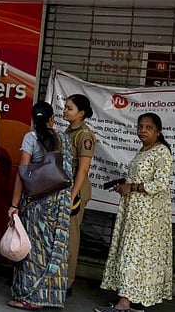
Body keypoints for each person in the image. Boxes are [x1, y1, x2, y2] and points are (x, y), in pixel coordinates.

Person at [96, 113, 174, 312]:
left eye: (148, 127)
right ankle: (131, 302)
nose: (142, 131)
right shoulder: (143, 150)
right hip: (134, 212)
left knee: (135, 254)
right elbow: (139, 178)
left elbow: (160, 183)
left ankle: (124, 304)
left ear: (158, 132)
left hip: (147, 216)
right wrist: (125, 186)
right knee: (133, 253)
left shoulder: (161, 152)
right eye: (140, 127)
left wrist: (132, 188)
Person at [5, 101, 72, 310]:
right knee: (52, 247)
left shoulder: (30, 138)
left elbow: (22, 174)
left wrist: (14, 204)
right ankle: (50, 296)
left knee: (32, 250)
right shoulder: (64, 139)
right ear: (52, 118)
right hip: (58, 203)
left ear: (33, 119)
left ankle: (30, 297)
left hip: (36, 203)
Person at [63, 93, 96, 292]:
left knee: (71, 237)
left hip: (76, 188)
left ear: (81, 113)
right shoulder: (69, 131)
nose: (65, 111)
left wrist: (73, 195)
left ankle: (67, 282)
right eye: (65, 107)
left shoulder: (84, 135)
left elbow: (83, 169)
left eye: (70, 108)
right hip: (66, 186)